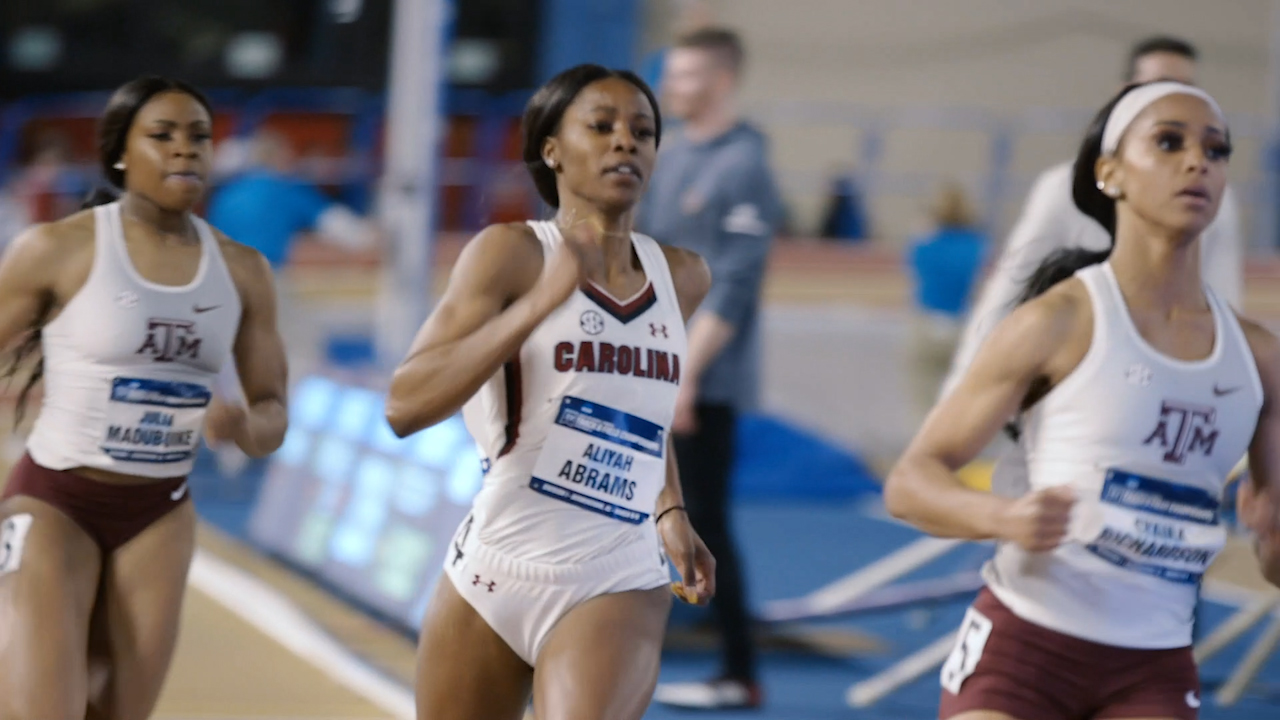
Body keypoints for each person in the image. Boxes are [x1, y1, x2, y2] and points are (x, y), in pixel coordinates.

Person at [884, 80, 1280, 720]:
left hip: (1154, 665)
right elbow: (909, 483)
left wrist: (1271, 538)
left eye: (1217, 149)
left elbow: (1275, 560)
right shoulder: (1057, 322)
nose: (1197, 162)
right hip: (1025, 648)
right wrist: (1003, 518)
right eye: (1169, 142)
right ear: (1110, 172)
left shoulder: (1259, 357)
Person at [384, 64, 716, 720]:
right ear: (552, 151)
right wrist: (537, 304)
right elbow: (404, 405)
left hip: (615, 570)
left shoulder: (681, 276)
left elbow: (635, 410)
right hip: (493, 568)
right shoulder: (508, 254)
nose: (626, 142)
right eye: (602, 126)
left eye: (643, 132)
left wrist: (669, 508)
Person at [0, 76, 288, 719]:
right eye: (161, 136)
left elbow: (274, 414)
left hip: (159, 514)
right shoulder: (57, 248)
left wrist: (243, 423)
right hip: (55, 501)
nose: (184, 150)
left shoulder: (243, 271)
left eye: (199, 137)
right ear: (120, 153)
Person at [941, 35, 1244, 401]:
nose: (1172, 98)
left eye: (1184, 87)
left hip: (1161, 382)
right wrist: (958, 392)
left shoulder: (1216, 199)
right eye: (1158, 84)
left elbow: (1225, 302)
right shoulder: (1060, 189)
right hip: (1071, 375)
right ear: (1124, 93)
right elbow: (1006, 292)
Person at [637, 26, 782, 710]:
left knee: (704, 523)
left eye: (688, 75)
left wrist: (687, 378)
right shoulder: (668, 156)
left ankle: (739, 672)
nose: (674, 86)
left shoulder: (744, 164)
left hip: (701, 385)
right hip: (650, 370)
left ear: (722, 81)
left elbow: (735, 284)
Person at [907, 183, 987, 417]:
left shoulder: (925, 243)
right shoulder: (976, 245)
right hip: (961, 322)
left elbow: (915, 266)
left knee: (922, 395)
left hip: (928, 321)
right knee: (961, 395)